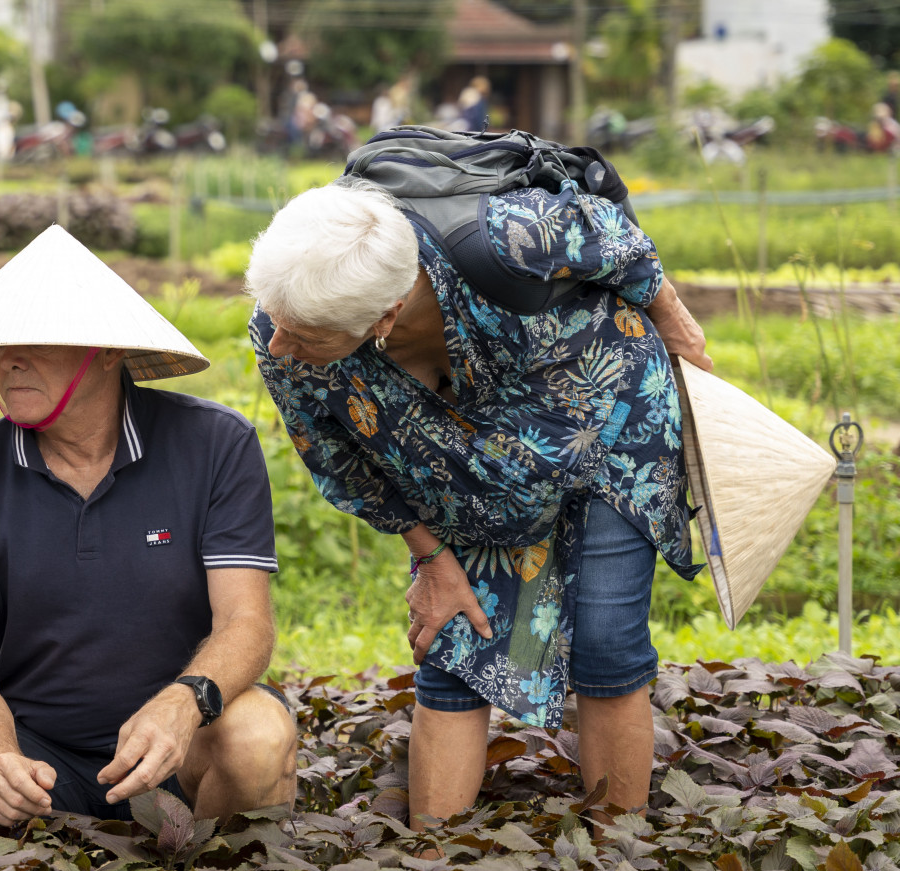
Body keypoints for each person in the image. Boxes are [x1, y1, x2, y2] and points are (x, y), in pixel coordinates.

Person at [247, 180, 711, 826]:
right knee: (454, 639)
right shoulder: (284, 326)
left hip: (607, 416)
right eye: (277, 322)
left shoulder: (508, 237)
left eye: (302, 335)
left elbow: (619, 239)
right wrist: (430, 556)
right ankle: (435, 861)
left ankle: (619, 856)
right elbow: (338, 460)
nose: (276, 345)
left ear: (383, 317)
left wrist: (677, 327)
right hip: (465, 467)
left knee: (606, 641)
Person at [0, 226, 298, 826]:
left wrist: (183, 702)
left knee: (257, 738)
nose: (8, 361)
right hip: (44, 755)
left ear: (107, 351)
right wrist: (2, 761)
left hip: (183, 744)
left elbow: (247, 622)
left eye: (35, 341)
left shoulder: (214, 444)